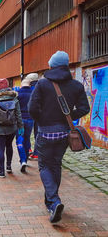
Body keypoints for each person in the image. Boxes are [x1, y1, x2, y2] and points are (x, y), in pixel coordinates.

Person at [28, 51, 90, 223]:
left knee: (44, 166)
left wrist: (42, 119)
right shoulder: (76, 85)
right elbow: (85, 108)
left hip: (45, 132)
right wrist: (69, 116)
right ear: (66, 65)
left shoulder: (42, 84)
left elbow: (32, 108)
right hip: (64, 133)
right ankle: (50, 202)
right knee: (55, 165)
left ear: (51, 65)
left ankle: (54, 201)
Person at [0, 78, 23, 178]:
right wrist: (20, 127)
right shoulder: (14, 98)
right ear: (7, 86)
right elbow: (18, 114)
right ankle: (9, 167)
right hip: (12, 127)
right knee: (9, 146)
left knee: (0, 148)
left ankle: (1, 172)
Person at [16, 78, 34, 172]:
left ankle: (23, 160)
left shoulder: (18, 94)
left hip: (20, 120)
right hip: (30, 119)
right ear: (30, 85)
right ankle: (26, 158)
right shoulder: (34, 93)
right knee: (27, 139)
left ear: (21, 85)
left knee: (20, 139)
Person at [25, 73, 39, 159]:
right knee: (37, 134)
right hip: (39, 114)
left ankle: (28, 150)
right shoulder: (41, 88)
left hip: (29, 114)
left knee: (27, 134)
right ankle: (36, 153)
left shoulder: (28, 89)